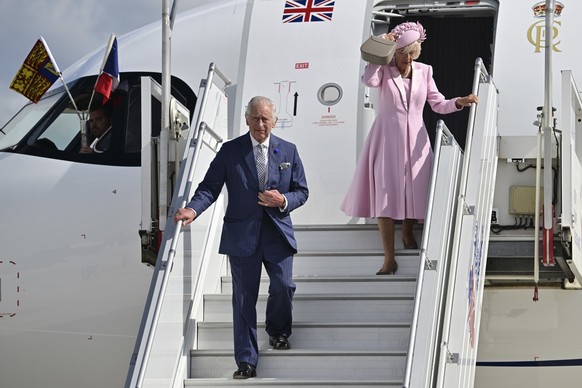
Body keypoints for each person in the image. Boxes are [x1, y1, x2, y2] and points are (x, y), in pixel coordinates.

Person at [174, 96, 309, 379]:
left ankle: (279, 331)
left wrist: (282, 199)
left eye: (266, 119)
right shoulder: (230, 151)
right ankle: (246, 361)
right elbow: (210, 187)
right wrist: (193, 210)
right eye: (256, 118)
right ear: (247, 119)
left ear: (274, 120)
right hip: (242, 236)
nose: (261, 124)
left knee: (284, 285)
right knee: (244, 299)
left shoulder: (289, 151)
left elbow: (302, 191)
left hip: (277, 233)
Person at [340, 21, 478, 275]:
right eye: (403, 56)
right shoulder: (382, 70)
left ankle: (407, 232)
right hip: (386, 138)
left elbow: (437, 104)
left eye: (411, 56)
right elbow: (368, 81)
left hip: (416, 138)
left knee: (417, 187)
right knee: (385, 192)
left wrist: (459, 102)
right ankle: (389, 257)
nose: (407, 62)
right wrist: (383, 45)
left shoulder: (425, 71)